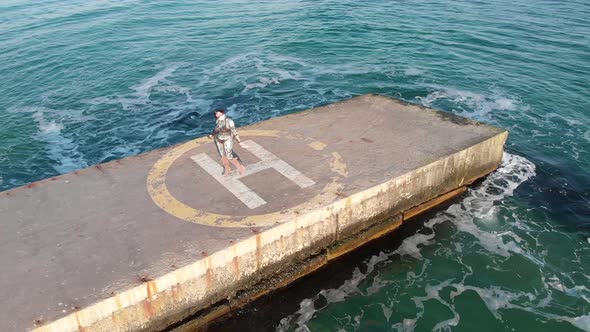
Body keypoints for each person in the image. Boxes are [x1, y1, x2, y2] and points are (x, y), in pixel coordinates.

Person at [208, 109, 246, 176]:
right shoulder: (218, 121)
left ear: (222, 113)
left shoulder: (229, 121)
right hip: (218, 139)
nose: (216, 115)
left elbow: (234, 132)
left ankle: (241, 168)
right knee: (222, 156)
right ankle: (227, 169)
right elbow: (216, 129)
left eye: (218, 113)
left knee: (229, 156)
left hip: (228, 138)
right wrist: (212, 134)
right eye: (216, 114)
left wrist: (239, 142)